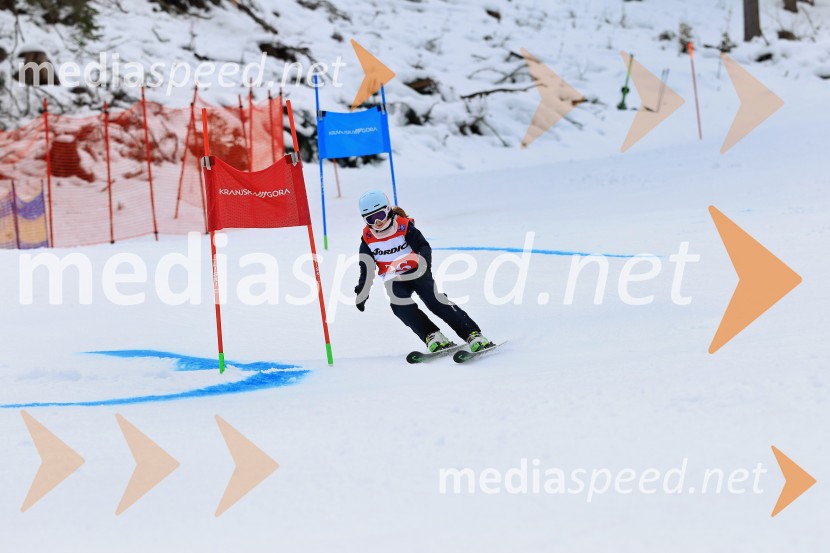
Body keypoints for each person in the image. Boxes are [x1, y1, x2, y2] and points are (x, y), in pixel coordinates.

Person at [354, 189, 492, 353]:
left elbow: (423, 246)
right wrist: (363, 290)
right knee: (399, 305)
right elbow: (367, 267)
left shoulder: (403, 227)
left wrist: (424, 263)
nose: (377, 222)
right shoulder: (368, 240)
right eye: (371, 218)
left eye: (380, 216)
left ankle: (472, 334)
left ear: (388, 210)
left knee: (434, 301)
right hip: (394, 277)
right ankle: (432, 335)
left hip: (416, 270)